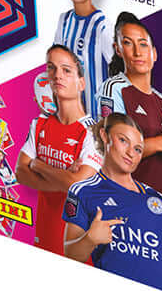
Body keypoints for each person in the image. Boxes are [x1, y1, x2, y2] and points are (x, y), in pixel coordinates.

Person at [96, 11, 162, 291]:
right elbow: (111, 150)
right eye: (128, 43)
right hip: (131, 210)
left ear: (155, 53)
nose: (138, 52)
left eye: (143, 44)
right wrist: (159, 143)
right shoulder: (115, 88)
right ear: (118, 49)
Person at [62, 114, 162, 291]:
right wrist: (90, 239)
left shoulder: (157, 199)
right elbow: (70, 255)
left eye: (138, 149)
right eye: (123, 141)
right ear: (104, 136)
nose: (131, 153)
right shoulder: (83, 191)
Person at [16, 45, 103, 255]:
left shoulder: (94, 132)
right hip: (42, 239)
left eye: (66, 70)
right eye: (51, 68)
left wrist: (38, 165)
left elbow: (77, 185)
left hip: (78, 248)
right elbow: (20, 172)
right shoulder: (39, 124)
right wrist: (64, 180)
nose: (57, 75)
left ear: (81, 83)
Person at [53, 0, 114, 120]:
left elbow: (122, 79)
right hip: (68, 121)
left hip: (96, 124)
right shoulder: (64, 21)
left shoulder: (103, 27)